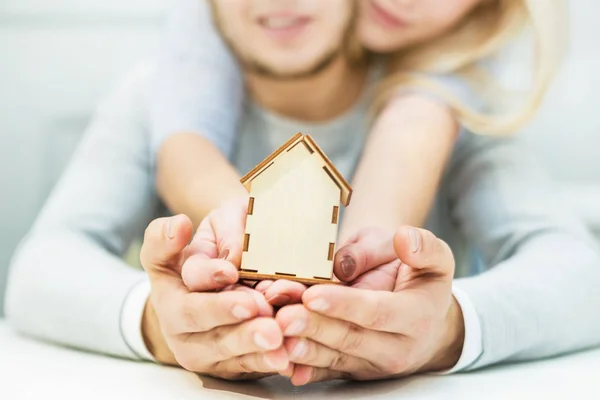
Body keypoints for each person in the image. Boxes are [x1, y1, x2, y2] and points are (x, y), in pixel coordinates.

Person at [5, 0, 600, 387]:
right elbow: (38, 268)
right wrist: (160, 325)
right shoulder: (151, 98)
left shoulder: (455, 118)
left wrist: (444, 330)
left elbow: (580, 276)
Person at [150, 0, 566, 247]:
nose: (406, 2)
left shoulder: (468, 97)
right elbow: (185, 143)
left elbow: (564, 263)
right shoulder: (215, 33)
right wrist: (251, 232)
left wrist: (357, 292)